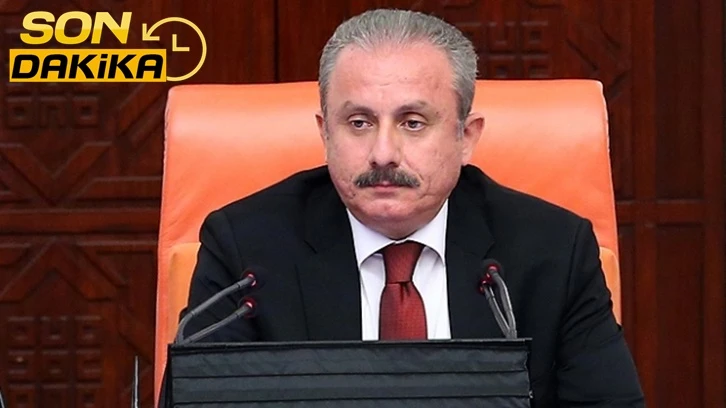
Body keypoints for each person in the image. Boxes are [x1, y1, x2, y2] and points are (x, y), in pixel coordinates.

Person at [175, 8, 645, 407]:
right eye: (359, 123)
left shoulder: (553, 251)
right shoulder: (245, 251)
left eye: (413, 123)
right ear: (325, 133)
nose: (383, 153)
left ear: (466, 137)